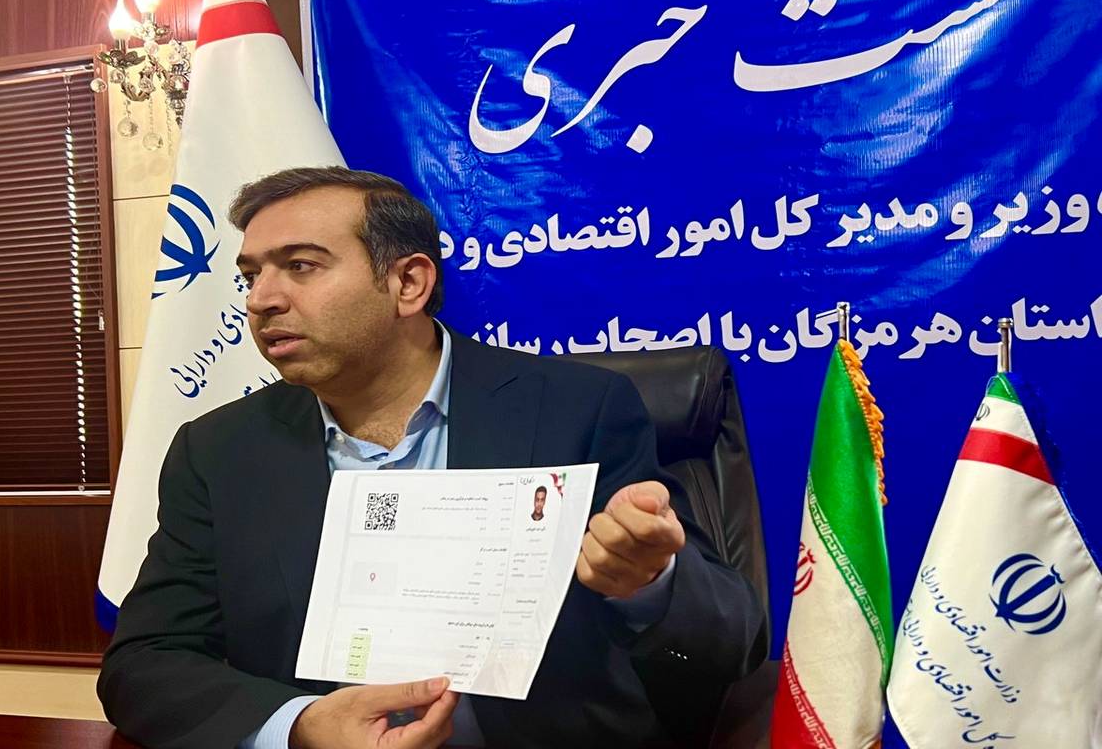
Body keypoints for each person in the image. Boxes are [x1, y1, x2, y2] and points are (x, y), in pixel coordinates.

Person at [98, 167, 767, 749]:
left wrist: (648, 581)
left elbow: (733, 639)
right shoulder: (220, 451)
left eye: (300, 266)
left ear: (409, 283)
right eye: (251, 275)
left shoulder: (575, 411)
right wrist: (300, 726)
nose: (261, 299)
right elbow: (144, 664)